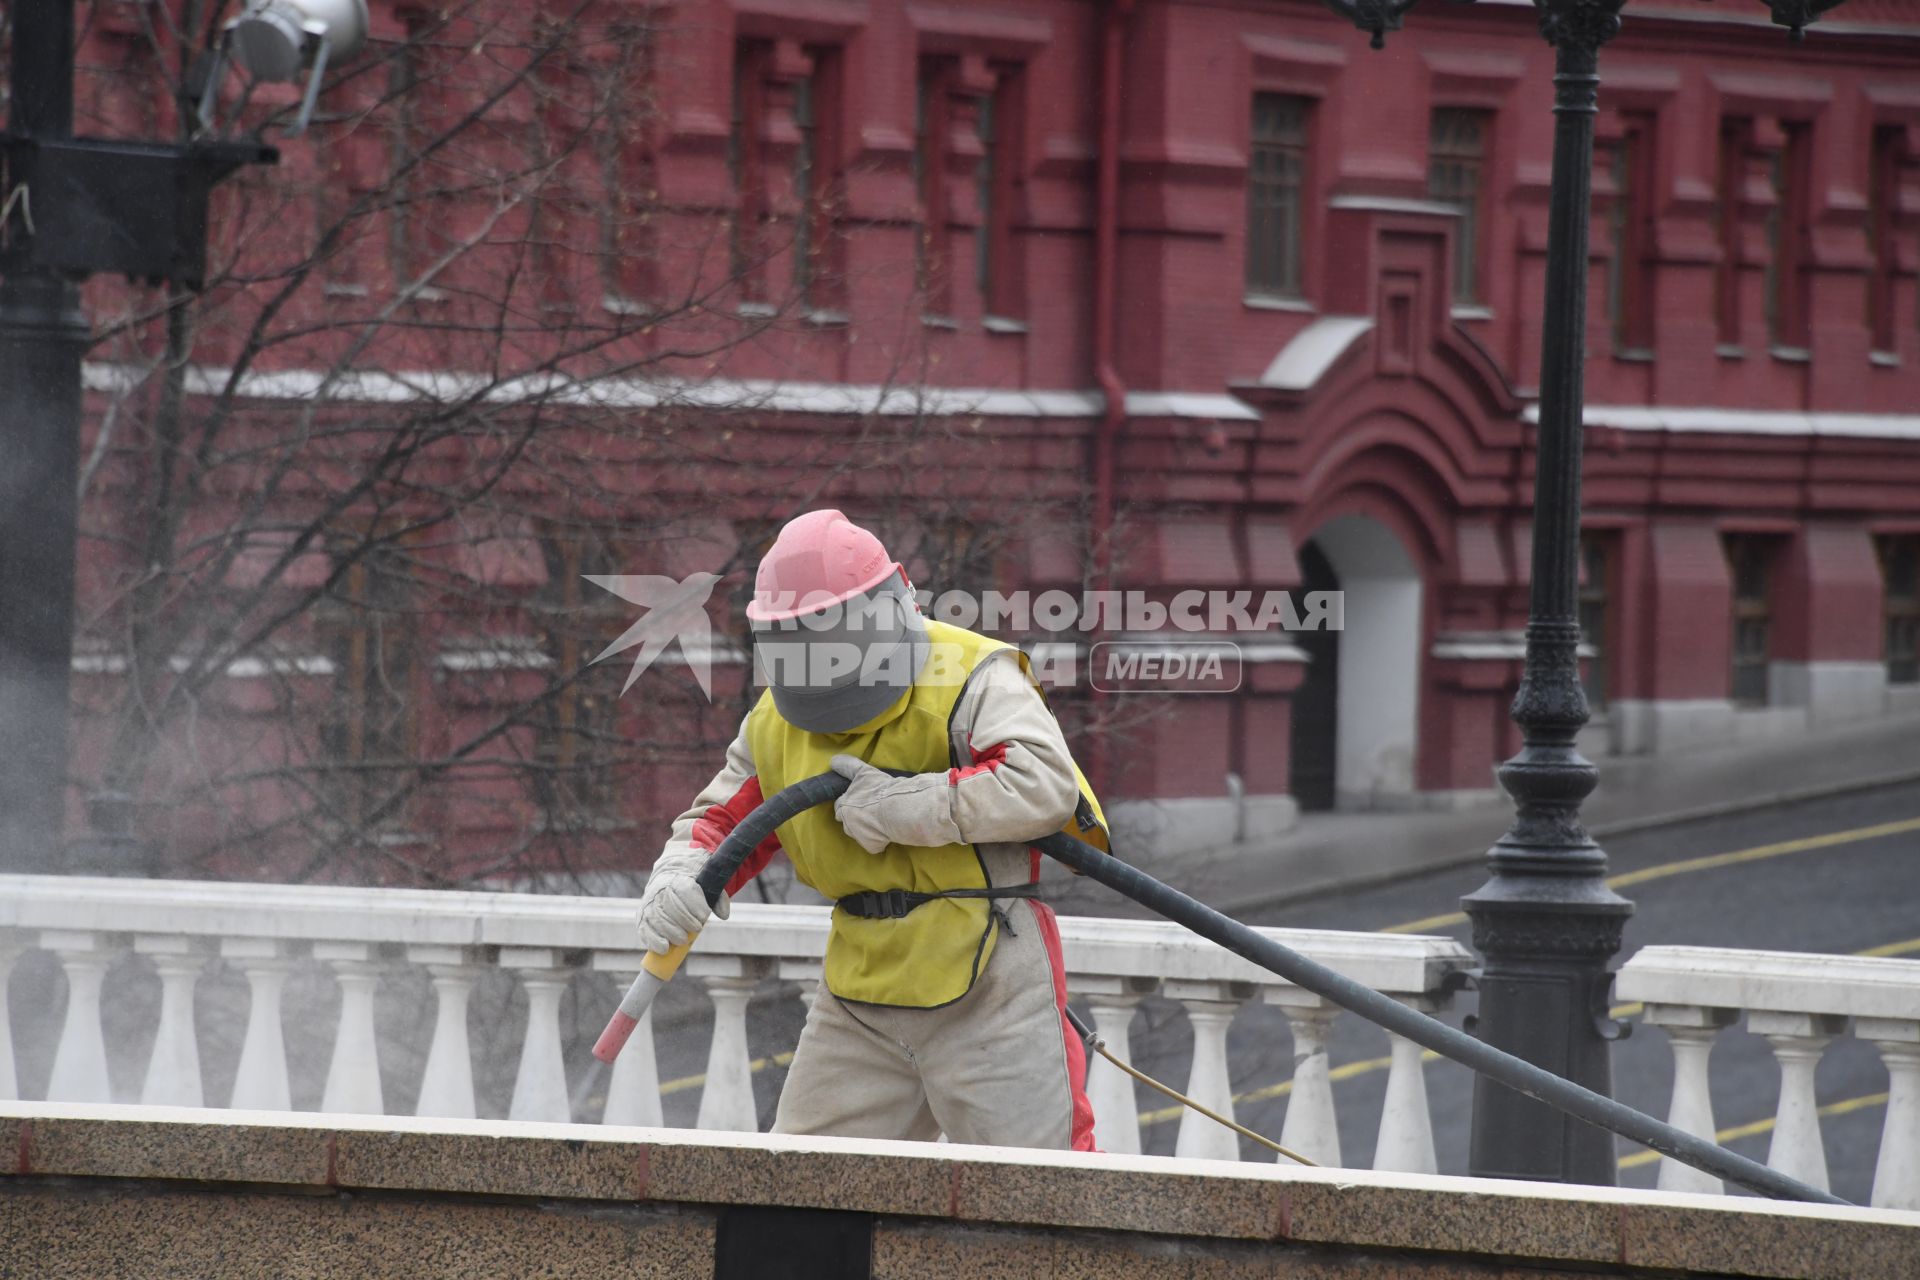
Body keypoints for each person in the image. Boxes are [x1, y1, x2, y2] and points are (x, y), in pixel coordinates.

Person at [634, 508, 1108, 1151]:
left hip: (991, 983)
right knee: (802, 1193)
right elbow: (720, 822)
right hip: (861, 993)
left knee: (1039, 1196)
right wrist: (680, 874)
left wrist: (903, 807)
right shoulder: (776, 720)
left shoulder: (971, 673)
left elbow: (1043, 786)